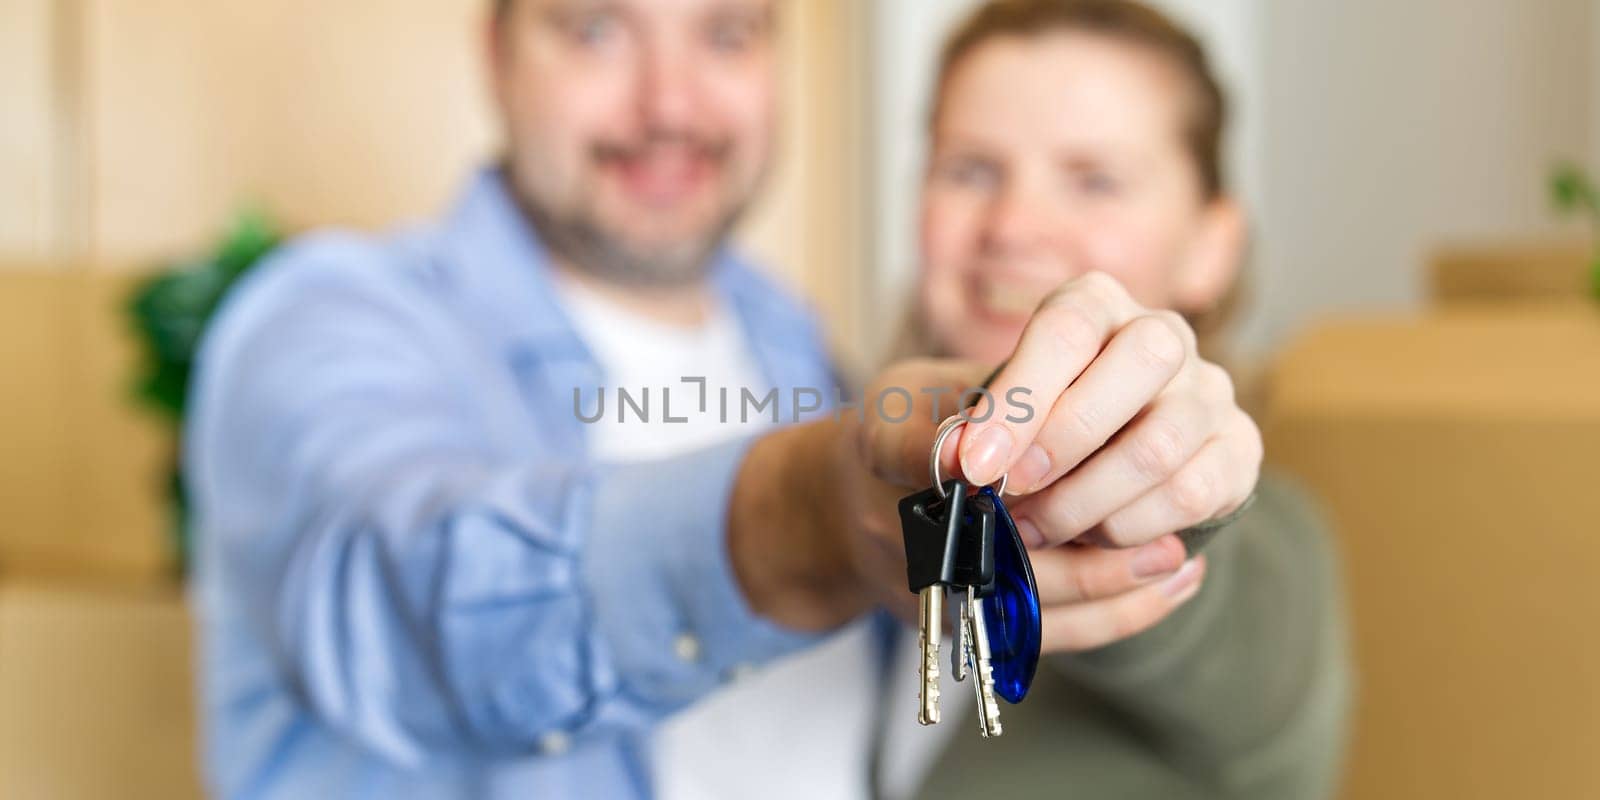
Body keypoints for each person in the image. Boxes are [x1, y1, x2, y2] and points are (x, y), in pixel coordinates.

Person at [185, 0, 1268, 797]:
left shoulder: (796, 344)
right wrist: (795, 522)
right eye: (596, 29)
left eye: (727, 33)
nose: (670, 105)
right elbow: (402, 595)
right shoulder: (329, 320)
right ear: (494, 51)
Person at [891, 2, 1350, 798]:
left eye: (1094, 180)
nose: (1014, 225)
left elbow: (1209, 618)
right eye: (970, 170)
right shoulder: (864, 473)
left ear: (1211, 247)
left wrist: (1155, 495)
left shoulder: (1283, 562)